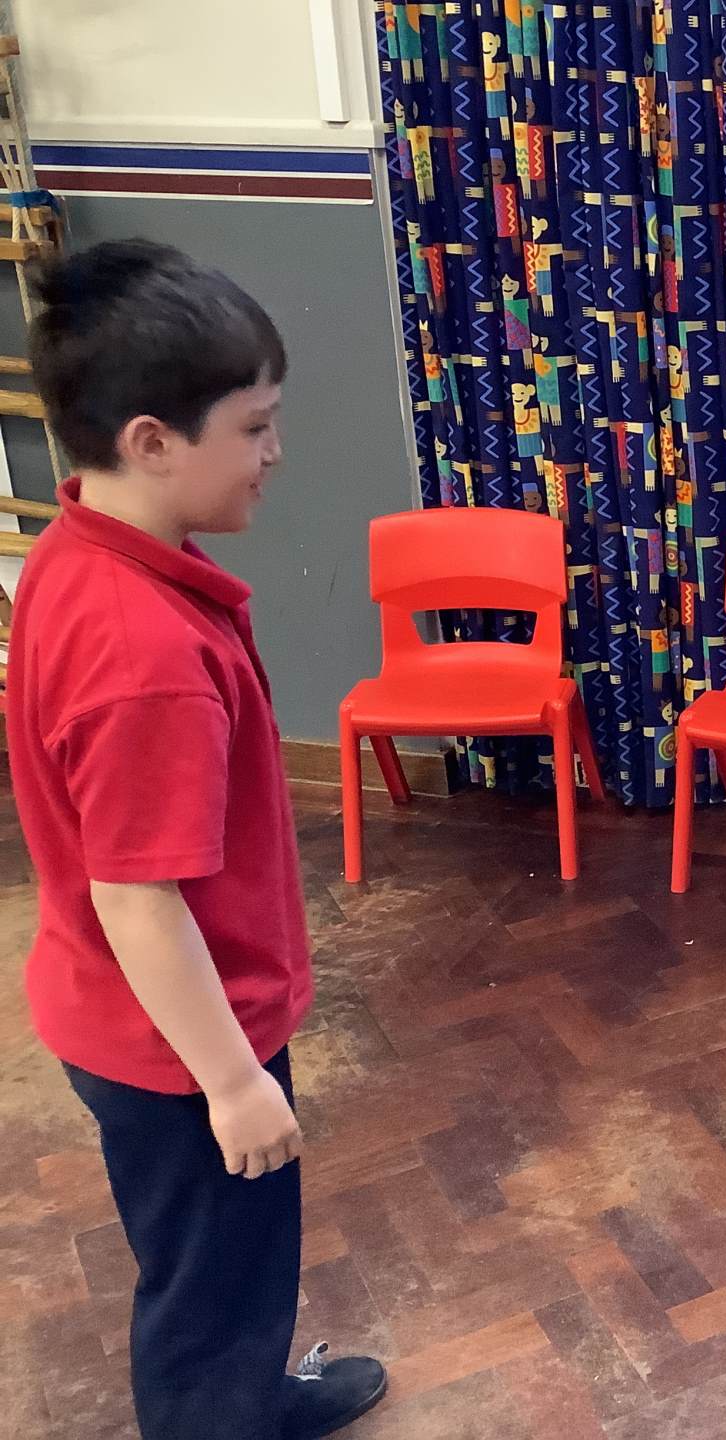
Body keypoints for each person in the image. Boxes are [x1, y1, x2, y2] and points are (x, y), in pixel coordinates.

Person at [7, 240, 387, 1438]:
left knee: (229, 1270)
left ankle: (249, 1393)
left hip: (144, 1020)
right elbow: (137, 899)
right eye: (255, 427)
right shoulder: (145, 657)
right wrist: (230, 1082)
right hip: (178, 1043)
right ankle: (224, 1411)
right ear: (152, 441)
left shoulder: (80, 549)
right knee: (212, 1288)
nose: (277, 453)